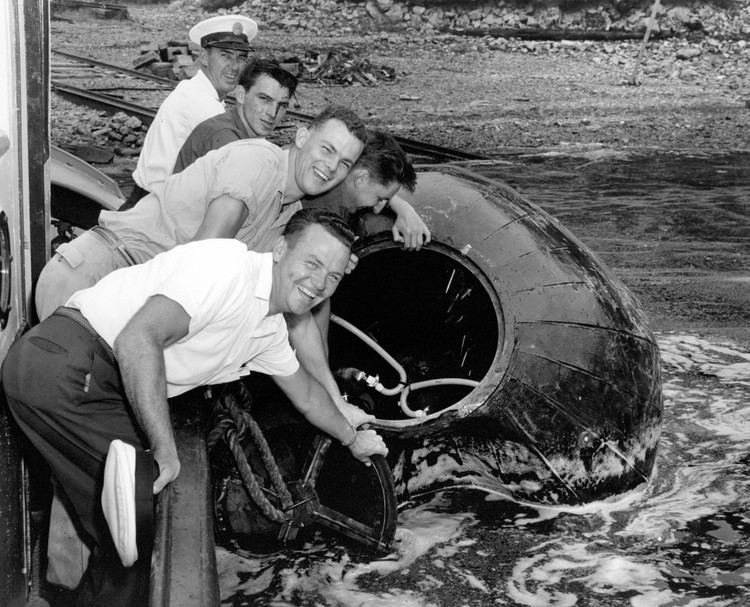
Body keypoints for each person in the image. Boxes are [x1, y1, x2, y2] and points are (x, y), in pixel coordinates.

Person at [3, 209, 388, 607]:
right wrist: (165, 450)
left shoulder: (267, 327)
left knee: (126, 534)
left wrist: (352, 438)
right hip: (67, 367)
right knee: (136, 526)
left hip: (86, 377)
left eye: (334, 276)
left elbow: (307, 395)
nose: (319, 283)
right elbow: (137, 340)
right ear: (278, 249)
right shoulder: (226, 268)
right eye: (312, 263)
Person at [35, 104, 367, 321]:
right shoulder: (259, 162)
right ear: (302, 136)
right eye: (327, 149)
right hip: (99, 272)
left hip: (132, 293)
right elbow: (204, 257)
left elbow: (272, 289)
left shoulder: (287, 211)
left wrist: (327, 260)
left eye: (344, 163)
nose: (331, 167)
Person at [127, 15, 257, 203]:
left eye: (241, 58)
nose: (234, 66)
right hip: (154, 211)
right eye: (225, 55)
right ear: (204, 57)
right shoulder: (203, 105)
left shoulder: (192, 89)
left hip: (149, 200)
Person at [173, 58, 298, 175]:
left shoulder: (236, 130)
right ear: (241, 95)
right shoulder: (224, 137)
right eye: (264, 99)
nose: (272, 113)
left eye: (282, 105)